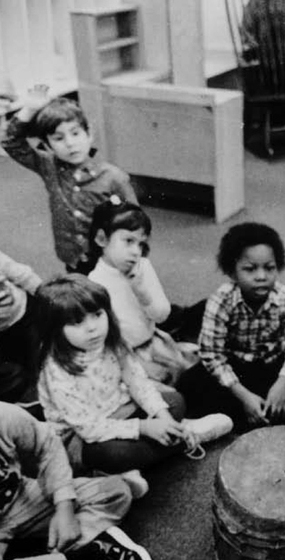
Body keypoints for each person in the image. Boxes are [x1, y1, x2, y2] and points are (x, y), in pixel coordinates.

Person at [0, 402, 158, 560]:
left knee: (115, 492)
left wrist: (64, 508)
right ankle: (88, 559)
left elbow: (46, 444)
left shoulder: (4, 415)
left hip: (20, 498)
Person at [36, 274, 189, 481]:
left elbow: (138, 383)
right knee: (114, 455)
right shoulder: (57, 373)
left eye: (97, 314)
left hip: (120, 409)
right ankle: (184, 438)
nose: (92, 327)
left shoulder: (113, 342)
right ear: (55, 330)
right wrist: (144, 427)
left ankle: (143, 459)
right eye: (78, 321)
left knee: (174, 401)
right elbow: (89, 429)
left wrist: (163, 417)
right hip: (81, 437)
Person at [177, 223, 285, 428]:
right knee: (189, 384)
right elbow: (212, 355)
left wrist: (282, 384)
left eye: (269, 268)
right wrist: (243, 395)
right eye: (250, 269)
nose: (261, 276)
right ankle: (250, 410)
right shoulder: (221, 300)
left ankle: (254, 412)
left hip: (271, 366)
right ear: (232, 272)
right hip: (235, 368)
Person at [0, 86, 138, 274]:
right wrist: (30, 109)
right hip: (73, 258)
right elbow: (11, 142)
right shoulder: (48, 166)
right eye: (58, 138)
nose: (70, 143)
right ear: (47, 145)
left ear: (89, 134)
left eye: (75, 133)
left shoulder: (113, 177)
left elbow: (135, 223)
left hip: (109, 260)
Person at [88, 197, 196, 386]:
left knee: (189, 379)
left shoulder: (142, 267)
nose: (136, 251)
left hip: (154, 343)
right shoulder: (94, 283)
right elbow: (105, 343)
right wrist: (141, 365)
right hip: (125, 359)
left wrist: (142, 292)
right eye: (128, 241)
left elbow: (162, 316)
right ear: (101, 239)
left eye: (140, 243)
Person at [0, 251, 42, 408]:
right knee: (15, 371)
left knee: (37, 359)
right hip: (2, 331)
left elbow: (23, 275)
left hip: (24, 312)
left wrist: (45, 293)